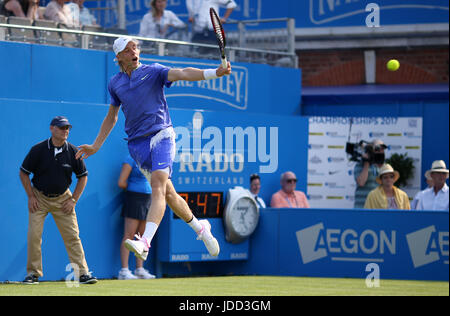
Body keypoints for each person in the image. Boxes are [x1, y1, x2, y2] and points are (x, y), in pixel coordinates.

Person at [75, 37, 231, 262]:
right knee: (169, 194)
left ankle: (145, 242)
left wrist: (214, 72)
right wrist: (96, 145)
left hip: (162, 134)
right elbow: (112, 116)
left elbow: (182, 73)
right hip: (138, 145)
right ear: (119, 57)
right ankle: (201, 229)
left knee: (158, 185)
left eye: (135, 48)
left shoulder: (155, 71)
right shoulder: (115, 83)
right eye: (128, 50)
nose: (134, 52)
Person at [19, 116, 97, 285]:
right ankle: (33, 274)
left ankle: (82, 273)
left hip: (63, 199)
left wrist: (73, 200)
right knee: (34, 236)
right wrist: (31, 196)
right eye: (62, 127)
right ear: (52, 128)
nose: (65, 131)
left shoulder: (73, 151)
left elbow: (83, 177)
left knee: (73, 236)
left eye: (67, 128)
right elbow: (23, 172)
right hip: (39, 198)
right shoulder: (38, 150)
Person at [117, 154, 155, 280]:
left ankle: (139, 269)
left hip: (148, 199)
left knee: (142, 237)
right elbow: (121, 182)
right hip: (134, 198)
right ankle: (124, 270)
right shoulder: (130, 159)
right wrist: (135, 188)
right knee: (129, 235)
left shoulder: (150, 159)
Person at [353, 139, 387, 208]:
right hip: (362, 207)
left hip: (378, 209)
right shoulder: (360, 165)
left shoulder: (385, 166)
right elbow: (361, 182)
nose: (381, 151)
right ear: (371, 150)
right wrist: (367, 163)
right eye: (378, 148)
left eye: (382, 149)